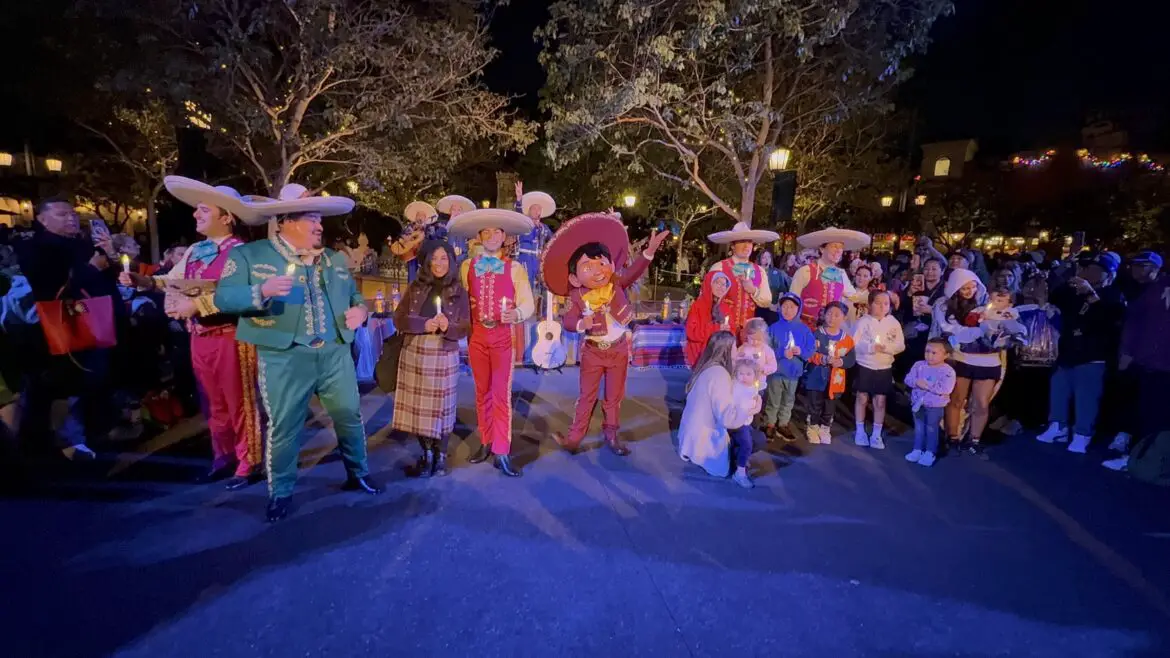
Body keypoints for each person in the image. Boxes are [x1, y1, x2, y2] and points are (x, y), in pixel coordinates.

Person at [214, 184, 383, 522]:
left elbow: (354, 297)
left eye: (319, 218)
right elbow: (223, 299)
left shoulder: (334, 258)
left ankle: (358, 473)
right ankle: (281, 492)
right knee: (285, 426)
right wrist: (259, 290)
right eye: (310, 218)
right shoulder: (251, 255)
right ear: (284, 221)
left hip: (334, 353)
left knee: (349, 416)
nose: (319, 225)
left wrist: (361, 313)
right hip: (284, 355)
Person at [119, 176, 264, 489]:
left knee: (240, 401)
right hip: (199, 338)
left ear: (227, 217)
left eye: (204, 210)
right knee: (213, 402)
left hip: (232, 336)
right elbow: (171, 280)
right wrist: (143, 282)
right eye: (197, 210)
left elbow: (243, 295)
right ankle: (223, 456)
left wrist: (199, 306)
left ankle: (249, 461)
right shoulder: (196, 251)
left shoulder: (242, 254)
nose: (196, 215)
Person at [545, 212, 670, 456]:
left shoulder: (617, 283)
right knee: (586, 398)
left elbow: (634, 270)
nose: (597, 270)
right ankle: (574, 438)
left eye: (602, 263)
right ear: (574, 276)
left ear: (611, 264)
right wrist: (582, 323)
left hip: (619, 349)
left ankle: (611, 436)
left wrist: (649, 251)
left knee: (614, 397)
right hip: (593, 352)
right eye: (588, 266)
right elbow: (568, 320)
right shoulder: (576, 295)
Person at [14, 195, 126, 461]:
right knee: (72, 379)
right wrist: (89, 269)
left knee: (98, 377)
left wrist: (110, 256)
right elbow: (49, 284)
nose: (71, 219)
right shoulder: (37, 247)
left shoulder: (82, 243)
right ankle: (67, 441)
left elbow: (108, 277)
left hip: (99, 316)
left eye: (73, 214)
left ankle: (96, 430)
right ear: (42, 219)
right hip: (66, 319)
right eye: (62, 215)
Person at [449, 206, 535, 476]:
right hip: (476, 338)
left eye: (496, 232)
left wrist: (517, 313)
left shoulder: (515, 268)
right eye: (486, 231)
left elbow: (528, 303)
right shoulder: (467, 266)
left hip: (501, 339)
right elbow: (456, 298)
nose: (491, 236)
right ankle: (485, 441)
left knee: (500, 395)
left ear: (504, 237)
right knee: (481, 392)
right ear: (479, 236)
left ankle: (501, 449)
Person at [391, 240, 470, 478]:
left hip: (444, 353)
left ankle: (441, 456)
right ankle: (426, 455)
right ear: (426, 262)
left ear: (451, 262)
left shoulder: (459, 290)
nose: (438, 264)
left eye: (443, 258)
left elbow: (466, 326)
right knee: (419, 410)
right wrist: (423, 324)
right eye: (434, 259)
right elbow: (398, 319)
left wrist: (449, 327)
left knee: (443, 408)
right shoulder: (415, 287)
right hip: (415, 350)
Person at [1035, 251, 1125, 454]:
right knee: (1059, 390)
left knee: (1086, 398)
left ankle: (1082, 434)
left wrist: (1091, 295)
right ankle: (1058, 426)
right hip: (1068, 351)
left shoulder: (1113, 294)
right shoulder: (1073, 291)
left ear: (1108, 274)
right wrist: (1065, 268)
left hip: (1093, 355)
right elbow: (1054, 295)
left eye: (1095, 269)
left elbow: (1111, 321)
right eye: (1086, 268)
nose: (1089, 272)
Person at [931, 269, 1016, 456]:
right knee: (956, 400)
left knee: (981, 403)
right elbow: (952, 329)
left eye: (973, 286)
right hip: (962, 358)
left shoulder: (987, 302)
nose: (970, 291)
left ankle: (974, 439)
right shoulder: (945, 306)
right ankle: (952, 436)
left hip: (989, 360)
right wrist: (980, 330)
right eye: (965, 288)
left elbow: (1005, 324)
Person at [1104, 267, 1170, 471]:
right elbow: (1136, 318)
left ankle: (1151, 461)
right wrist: (1128, 351)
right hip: (1153, 365)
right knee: (1150, 415)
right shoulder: (1160, 286)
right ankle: (1142, 460)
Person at [677, 331, 758, 478]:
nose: (737, 350)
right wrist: (750, 409)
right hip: (705, 441)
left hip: (691, 436)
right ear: (726, 350)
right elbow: (728, 419)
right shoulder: (720, 375)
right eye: (734, 347)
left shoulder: (708, 367)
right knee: (756, 438)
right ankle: (737, 465)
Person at [703, 222, 779, 339]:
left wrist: (753, 290)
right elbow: (706, 300)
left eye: (749, 241)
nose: (746, 246)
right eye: (741, 242)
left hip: (749, 334)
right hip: (723, 330)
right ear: (732, 245)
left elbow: (767, 301)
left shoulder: (759, 270)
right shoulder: (719, 267)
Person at [851, 289, 905, 448]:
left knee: (880, 401)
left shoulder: (893, 323)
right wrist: (870, 347)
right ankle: (860, 430)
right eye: (878, 303)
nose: (882, 307)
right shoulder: (863, 322)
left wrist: (886, 348)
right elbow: (854, 344)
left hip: (884, 367)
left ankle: (876, 434)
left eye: (886, 304)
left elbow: (900, 345)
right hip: (865, 365)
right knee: (862, 398)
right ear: (869, 304)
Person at [789, 227, 871, 331]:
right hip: (805, 329)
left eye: (841, 247)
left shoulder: (841, 274)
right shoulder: (805, 271)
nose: (838, 251)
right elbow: (792, 301)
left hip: (830, 330)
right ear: (822, 249)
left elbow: (853, 296)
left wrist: (877, 298)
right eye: (834, 246)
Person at [761, 294, 813, 442]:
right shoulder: (773, 328)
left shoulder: (804, 329)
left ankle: (783, 423)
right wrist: (781, 353)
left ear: (798, 309)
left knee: (788, 400)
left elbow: (810, 349)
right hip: (776, 372)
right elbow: (767, 349)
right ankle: (770, 423)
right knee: (774, 399)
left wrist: (800, 351)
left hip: (793, 373)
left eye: (791, 307)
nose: (787, 310)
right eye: (784, 307)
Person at [803, 301, 855, 444]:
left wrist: (842, 362)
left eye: (837, 315)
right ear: (824, 314)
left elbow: (851, 358)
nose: (832, 318)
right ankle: (812, 427)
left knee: (830, 405)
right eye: (829, 314)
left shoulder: (847, 340)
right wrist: (823, 358)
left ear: (844, 318)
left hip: (835, 379)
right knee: (815, 404)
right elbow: (809, 353)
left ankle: (825, 428)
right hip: (816, 376)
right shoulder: (816, 334)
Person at [903, 338, 957, 467]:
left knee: (931, 428)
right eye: (927, 351)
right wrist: (916, 382)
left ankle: (930, 452)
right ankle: (917, 449)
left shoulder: (947, 371)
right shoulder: (919, 365)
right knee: (919, 428)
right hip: (917, 404)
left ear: (946, 355)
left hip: (935, 405)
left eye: (934, 353)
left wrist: (927, 386)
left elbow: (946, 389)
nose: (929, 355)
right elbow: (908, 379)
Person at [514, 181, 555, 307]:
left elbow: (554, 240)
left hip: (539, 260)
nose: (536, 211)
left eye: (539, 209)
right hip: (524, 258)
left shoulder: (544, 228)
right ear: (529, 210)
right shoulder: (523, 223)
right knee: (525, 285)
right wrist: (519, 199)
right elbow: (517, 214)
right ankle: (523, 310)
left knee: (544, 285)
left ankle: (543, 313)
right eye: (534, 208)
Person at [728, 358, 765, 488]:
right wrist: (755, 408)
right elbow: (741, 408)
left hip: (746, 422)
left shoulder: (753, 388)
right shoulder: (735, 387)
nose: (744, 377)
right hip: (738, 423)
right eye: (741, 373)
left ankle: (739, 459)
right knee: (747, 444)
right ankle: (740, 472)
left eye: (748, 374)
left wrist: (757, 403)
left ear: (755, 375)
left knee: (757, 440)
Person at [685, 270, 734, 367]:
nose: (721, 287)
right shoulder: (698, 306)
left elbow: (732, 331)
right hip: (700, 357)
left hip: (721, 358)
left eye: (724, 284)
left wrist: (728, 331)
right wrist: (716, 328)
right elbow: (692, 333)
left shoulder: (726, 308)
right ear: (709, 284)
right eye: (717, 283)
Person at [392, 201, 439, 282]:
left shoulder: (430, 228)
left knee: (426, 276)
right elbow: (402, 238)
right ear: (415, 217)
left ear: (426, 218)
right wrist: (411, 235)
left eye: (422, 216)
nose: (420, 218)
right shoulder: (409, 227)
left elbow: (433, 239)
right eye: (418, 216)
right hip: (412, 255)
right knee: (412, 277)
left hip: (425, 256)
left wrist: (424, 233)